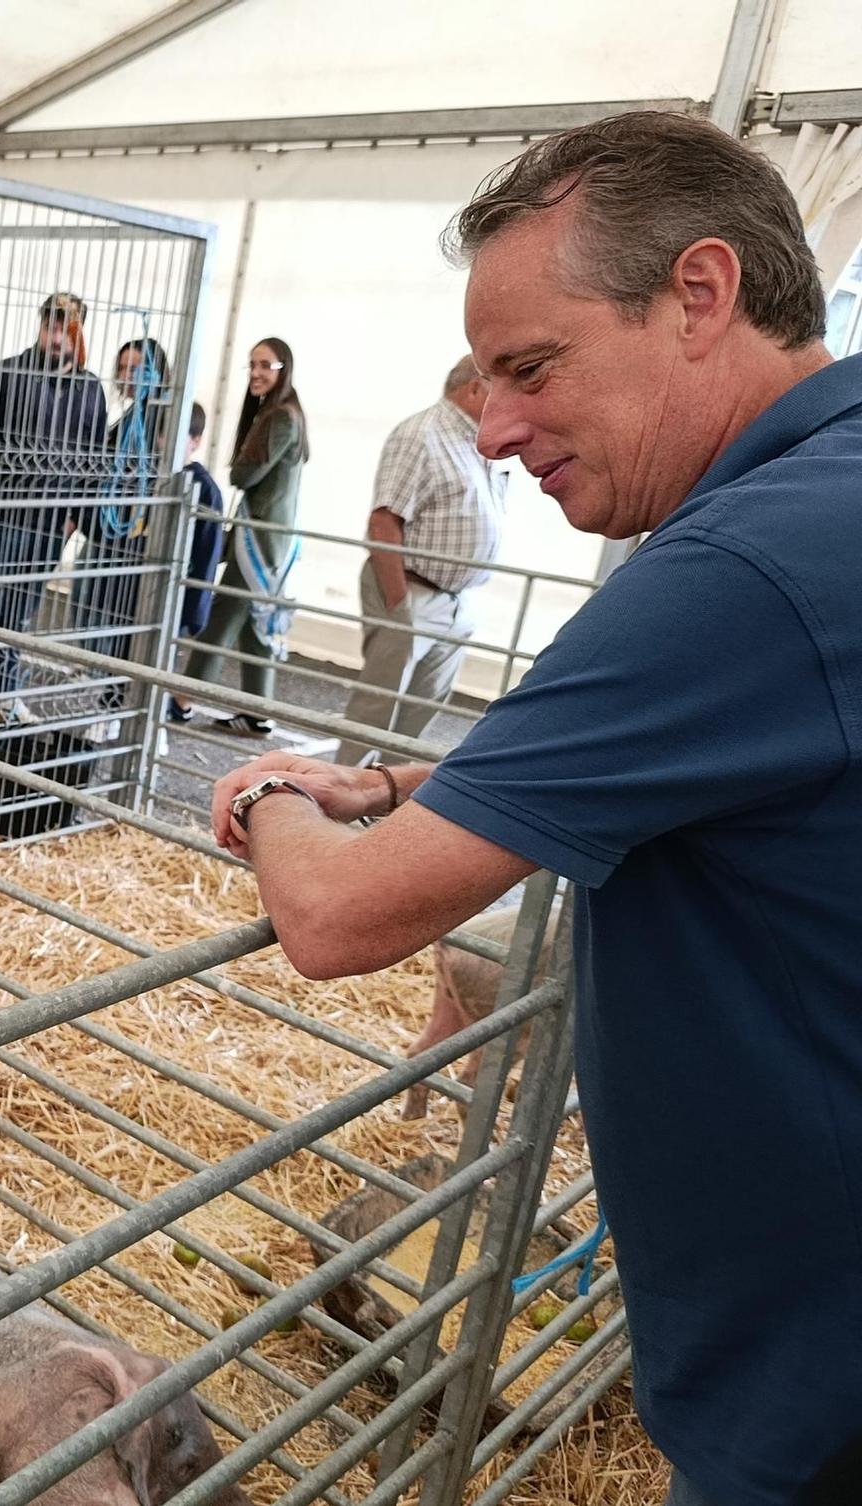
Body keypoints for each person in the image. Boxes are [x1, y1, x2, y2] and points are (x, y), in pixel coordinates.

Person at [210, 112, 861, 1506]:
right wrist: (385, 778)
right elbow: (669, 745)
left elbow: (332, 914)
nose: (495, 428)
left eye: (532, 365)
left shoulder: (735, 567)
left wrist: (267, 785)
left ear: (700, 295)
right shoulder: (831, 496)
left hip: (817, 1376)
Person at [333, 355, 508, 762]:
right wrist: (399, 604)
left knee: (422, 710)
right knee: (378, 707)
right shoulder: (422, 435)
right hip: (413, 589)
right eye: (499, 385)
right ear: (474, 388)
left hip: (454, 599)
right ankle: (335, 806)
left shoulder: (478, 440)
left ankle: (382, 804)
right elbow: (384, 519)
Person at [0, 292, 109, 728]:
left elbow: (94, 459)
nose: (57, 336)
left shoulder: (90, 389)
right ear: (40, 326)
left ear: (79, 331)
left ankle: (4, 694)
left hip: (51, 522)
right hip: (4, 514)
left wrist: (78, 515)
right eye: (51, 326)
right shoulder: (6, 375)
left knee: (22, 610)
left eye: (67, 327)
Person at [171, 338, 309, 735]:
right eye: (252, 364)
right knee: (252, 626)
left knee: (222, 616)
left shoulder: (280, 417)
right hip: (266, 535)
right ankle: (258, 709)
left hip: (259, 539)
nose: (256, 372)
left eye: (266, 365)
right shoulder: (282, 413)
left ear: (284, 368)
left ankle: (183, 699)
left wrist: (244, 454)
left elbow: (243, 475)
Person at [72, 337, 176, 743]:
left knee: (126, 629)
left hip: (138, 544)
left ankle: (128, 713)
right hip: (110, 537)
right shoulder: (132, 415)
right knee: (98, 617)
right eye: (124, 368)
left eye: (138, 369)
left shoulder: (162, 419)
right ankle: (117, 704)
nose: (128, 377)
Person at [178, 402, 228, 644]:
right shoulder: (145, 476)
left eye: (179, 435)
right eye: (162, 433)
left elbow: (207, 554)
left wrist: (196, 613)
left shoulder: (206, 491)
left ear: (196, 441)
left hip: (176, 593)